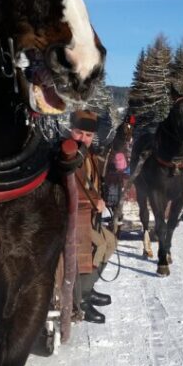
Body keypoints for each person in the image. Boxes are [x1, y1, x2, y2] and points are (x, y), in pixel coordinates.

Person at [69, 110, 117, 324]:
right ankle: (80, 299)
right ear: (71, 130)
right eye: (79, 133)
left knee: (111, 242)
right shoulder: (67, 153)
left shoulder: (87, 154)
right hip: (73, 216)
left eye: (88, 135)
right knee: (97, 245)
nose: (83, 139)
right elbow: (67, 187)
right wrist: (91, 202)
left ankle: (88, 289)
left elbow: (91, 183)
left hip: (87, 215)